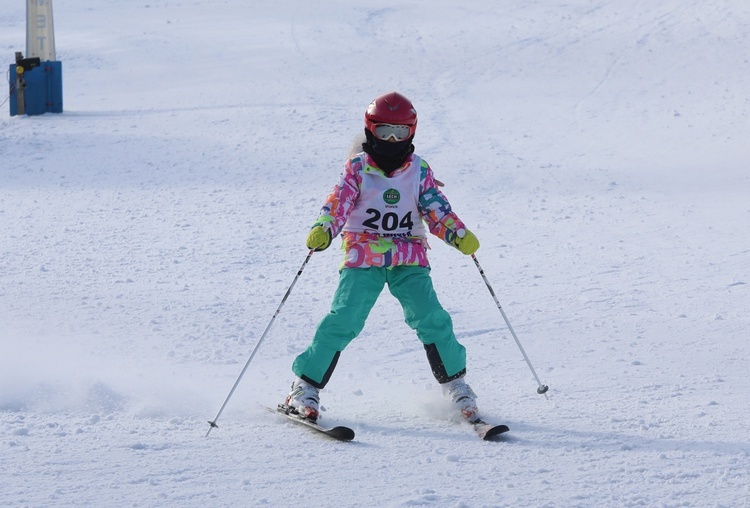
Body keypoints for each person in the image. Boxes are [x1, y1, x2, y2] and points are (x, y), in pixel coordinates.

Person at [284, 91, 481, 422]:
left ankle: (456, 388)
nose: (392, 139)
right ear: (370, 129)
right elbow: (338, 203)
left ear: (411, 132)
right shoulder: (357, 169)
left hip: (408, 256)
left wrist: (457, 234)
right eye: (384, 131)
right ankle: (303, 388)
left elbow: (436, 208)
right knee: (344, 319)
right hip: (364, 256)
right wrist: (325, 228)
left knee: (431, 316)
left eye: (400, 132)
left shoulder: (419, 171)